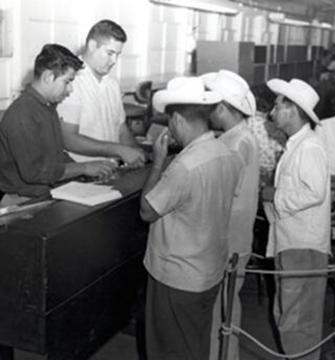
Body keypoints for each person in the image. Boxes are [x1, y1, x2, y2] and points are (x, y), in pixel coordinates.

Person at [139, 76, 242, 360]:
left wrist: (158, 161)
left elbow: (147, 210)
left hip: (177, 277)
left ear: (178, 120)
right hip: (209, 272)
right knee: (195, 346)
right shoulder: (228, 154)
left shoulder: (183, 167)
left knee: (168, 350)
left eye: (170, 121)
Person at [261, 78, 331, 360]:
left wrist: (273, 194)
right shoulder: (296, 144)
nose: (272, 112)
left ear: (292, 110)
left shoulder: (309, 147)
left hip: (303, 247)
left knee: (297, 321)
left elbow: (313, 192)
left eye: (278, 106)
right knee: (289, 315)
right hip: (292, 242)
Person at [0, 44, 116, 207]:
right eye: (67, 82)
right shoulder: (23, 113)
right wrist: (83, 168)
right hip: (22, 202)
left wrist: (89, 172)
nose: (70, 89)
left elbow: (56, 155)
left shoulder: (47, 107)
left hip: (46, 195)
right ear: (48, 77)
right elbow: (34, 172)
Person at [201, 70, 260, 360]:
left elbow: (221, 190)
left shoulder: (237, 143)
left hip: (228, 241)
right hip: (231, 238)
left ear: (221, 108)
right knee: (223, 309)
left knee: (222, 312)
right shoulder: (236, 137)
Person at [57, 19, 146, 167]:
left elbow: (121, 129)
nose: (114, 61)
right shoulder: (71, 81)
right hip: (79, 174)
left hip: (110, 169)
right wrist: (120, 150)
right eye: (110, 53)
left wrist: (136, 151)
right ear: (92, 45)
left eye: (118, 54)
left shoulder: (112, 84)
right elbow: (68, 139)